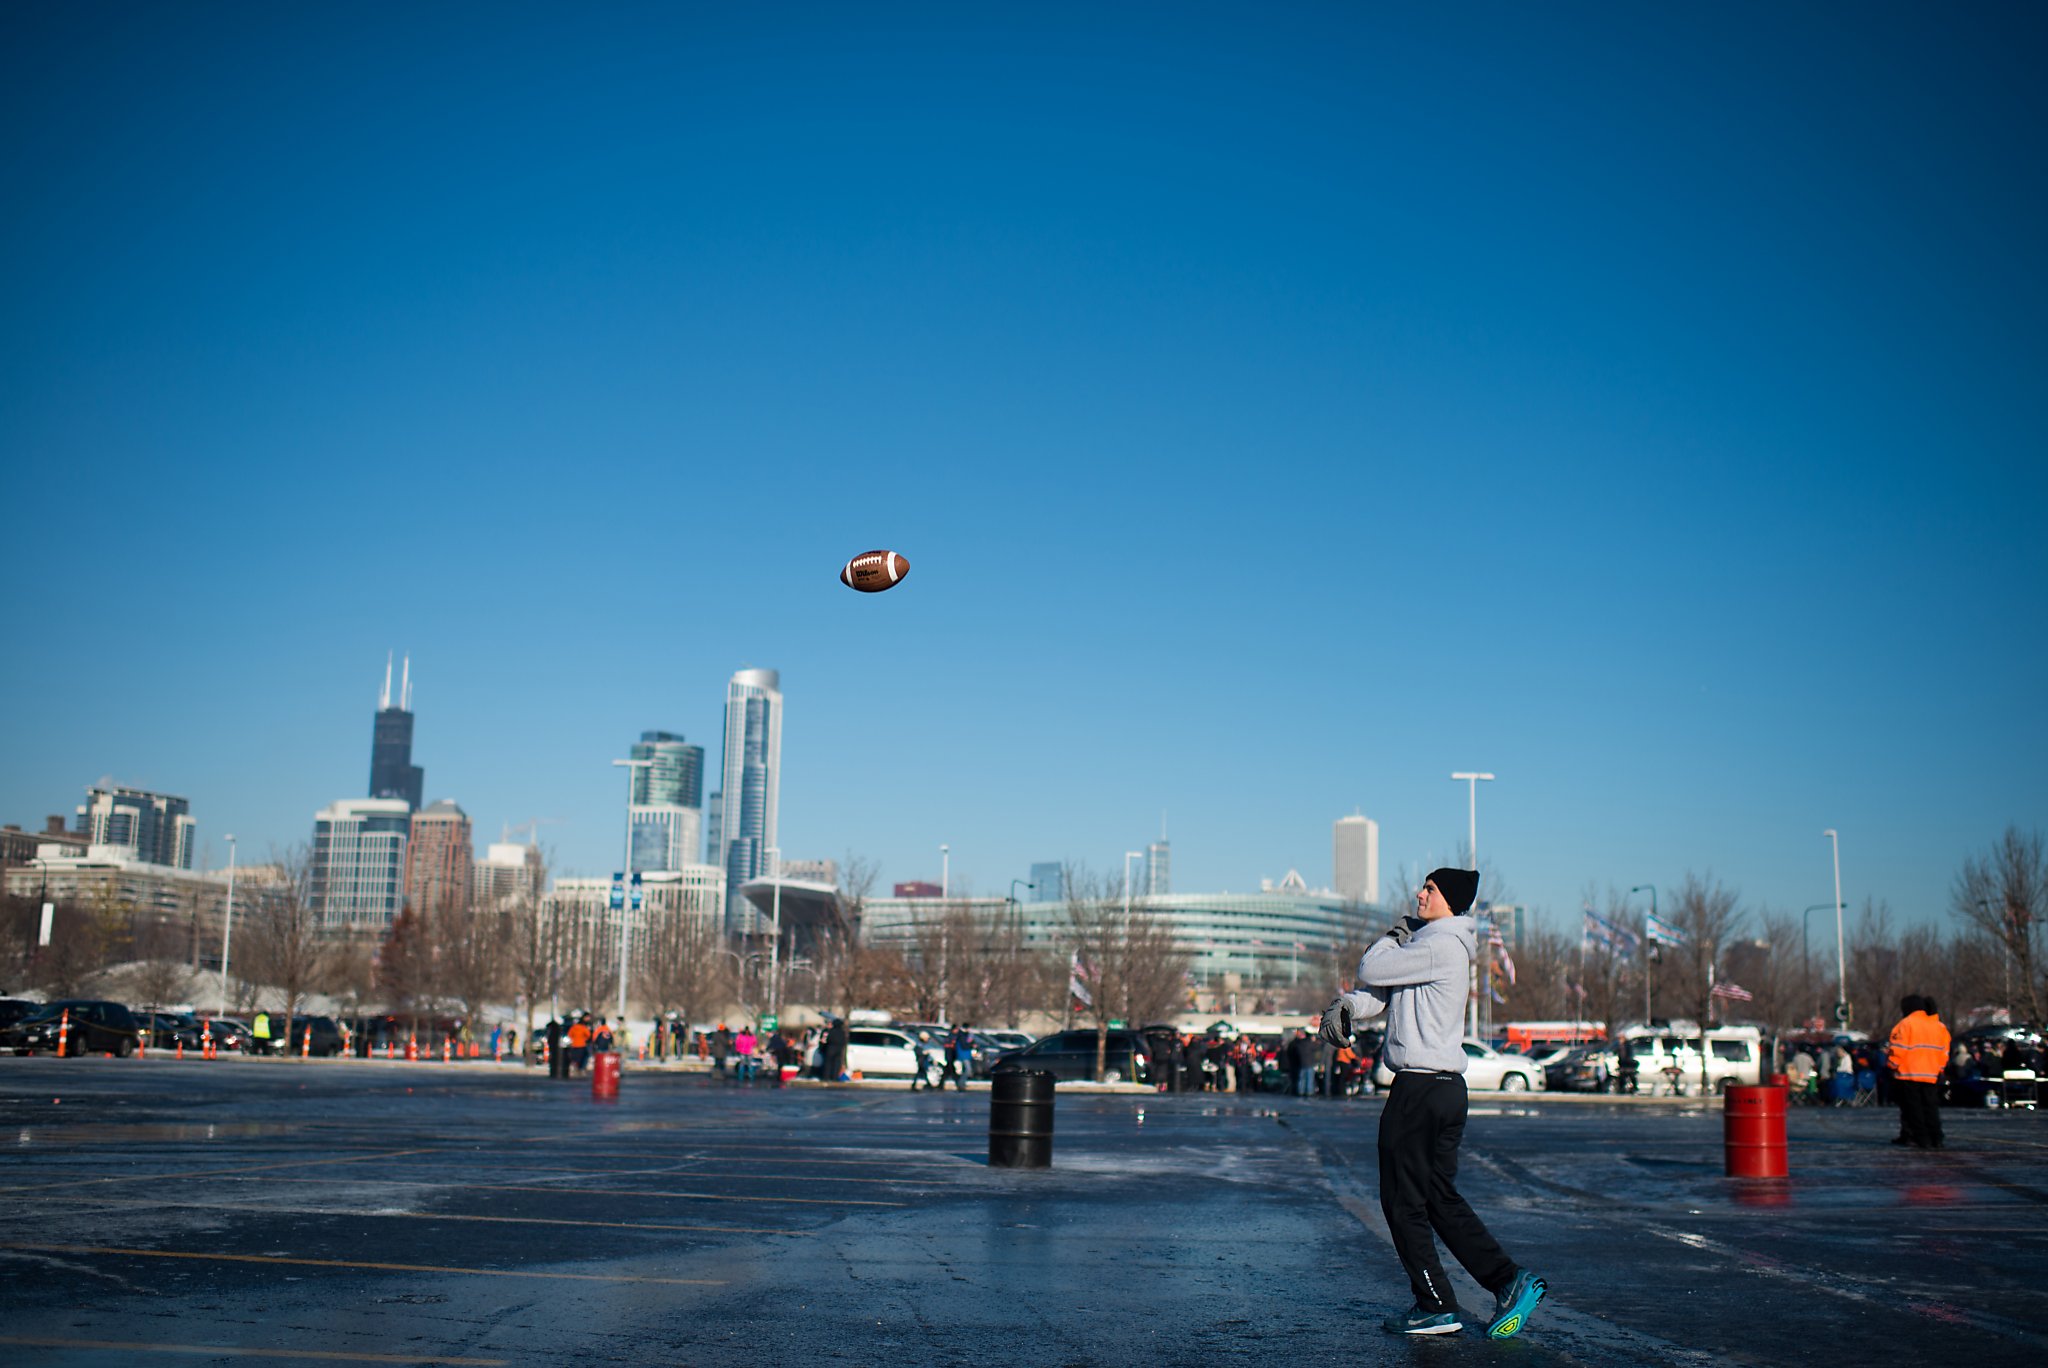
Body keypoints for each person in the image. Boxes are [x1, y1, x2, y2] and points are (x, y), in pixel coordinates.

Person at [1321, 868, 1546, 1339]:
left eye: (1431, 889)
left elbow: (1372, 967)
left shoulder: (1438, 944)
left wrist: (1391, 936)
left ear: (1451, 901)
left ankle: (1435, 1304)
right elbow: (1380, 993)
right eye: (1423, 886)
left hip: (1419, 1091)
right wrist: (1346, 1007)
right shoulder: (1430, 947)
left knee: (1402, 1202)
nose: (1420, 894)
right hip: (1443, 1090)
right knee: (1438, 1199)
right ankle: (1508, 1280)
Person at [1888, 994, 1949, 1149]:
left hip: (1909, 1073)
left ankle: (1921, 1138)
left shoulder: (1905, 1024)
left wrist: (1892, 1065)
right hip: (1931, 1074)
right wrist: (1939, 1068)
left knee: (1913, 1109)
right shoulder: (1938, 1026)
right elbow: (1944, 1051)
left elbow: (1898, 1049)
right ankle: (1936, 1137)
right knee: (1930, 1107)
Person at [946, 1024, 974, 1091]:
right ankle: (961, 1083)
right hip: (963, 1055)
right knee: (968, 1070)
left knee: (965, 1070)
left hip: (965, 1055)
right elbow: (964, 1045)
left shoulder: (963, 1035)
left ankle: (961, 1084)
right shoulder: (962, 1035)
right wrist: (971, 1044)